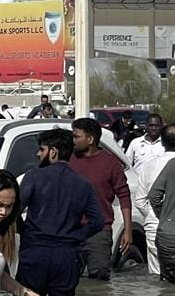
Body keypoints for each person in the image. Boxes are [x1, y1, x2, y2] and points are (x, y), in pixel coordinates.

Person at [11, 129, 104, 296]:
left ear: (53, 152)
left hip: (35, 252)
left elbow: (13, 211)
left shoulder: (34, 177)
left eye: (41, 149)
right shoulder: (83, 184)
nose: (38, 154)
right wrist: (76, 236)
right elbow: (97, 221)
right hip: (67, 257)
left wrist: (23, 230)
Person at [70, 117, 132, 280]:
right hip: (70, 230)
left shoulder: (110, 163)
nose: (73, 140)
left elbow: (124, 196)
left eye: (77, 137)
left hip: (99, 231)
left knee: (99, 281)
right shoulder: (69, 160)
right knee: (67, 279)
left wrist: (128, 230)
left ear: (90, 139)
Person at [135, 124, 175, 276]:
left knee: (157, 280)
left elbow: (141, 200)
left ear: (162, 142)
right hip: (165, 226)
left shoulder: (149, 165)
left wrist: (156, 215)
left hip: (156, 226)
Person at [147, 154, 175, 282]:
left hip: (168, 236)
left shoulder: (172, 164)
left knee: (167, 289)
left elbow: (154, 195)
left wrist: (164, 216)